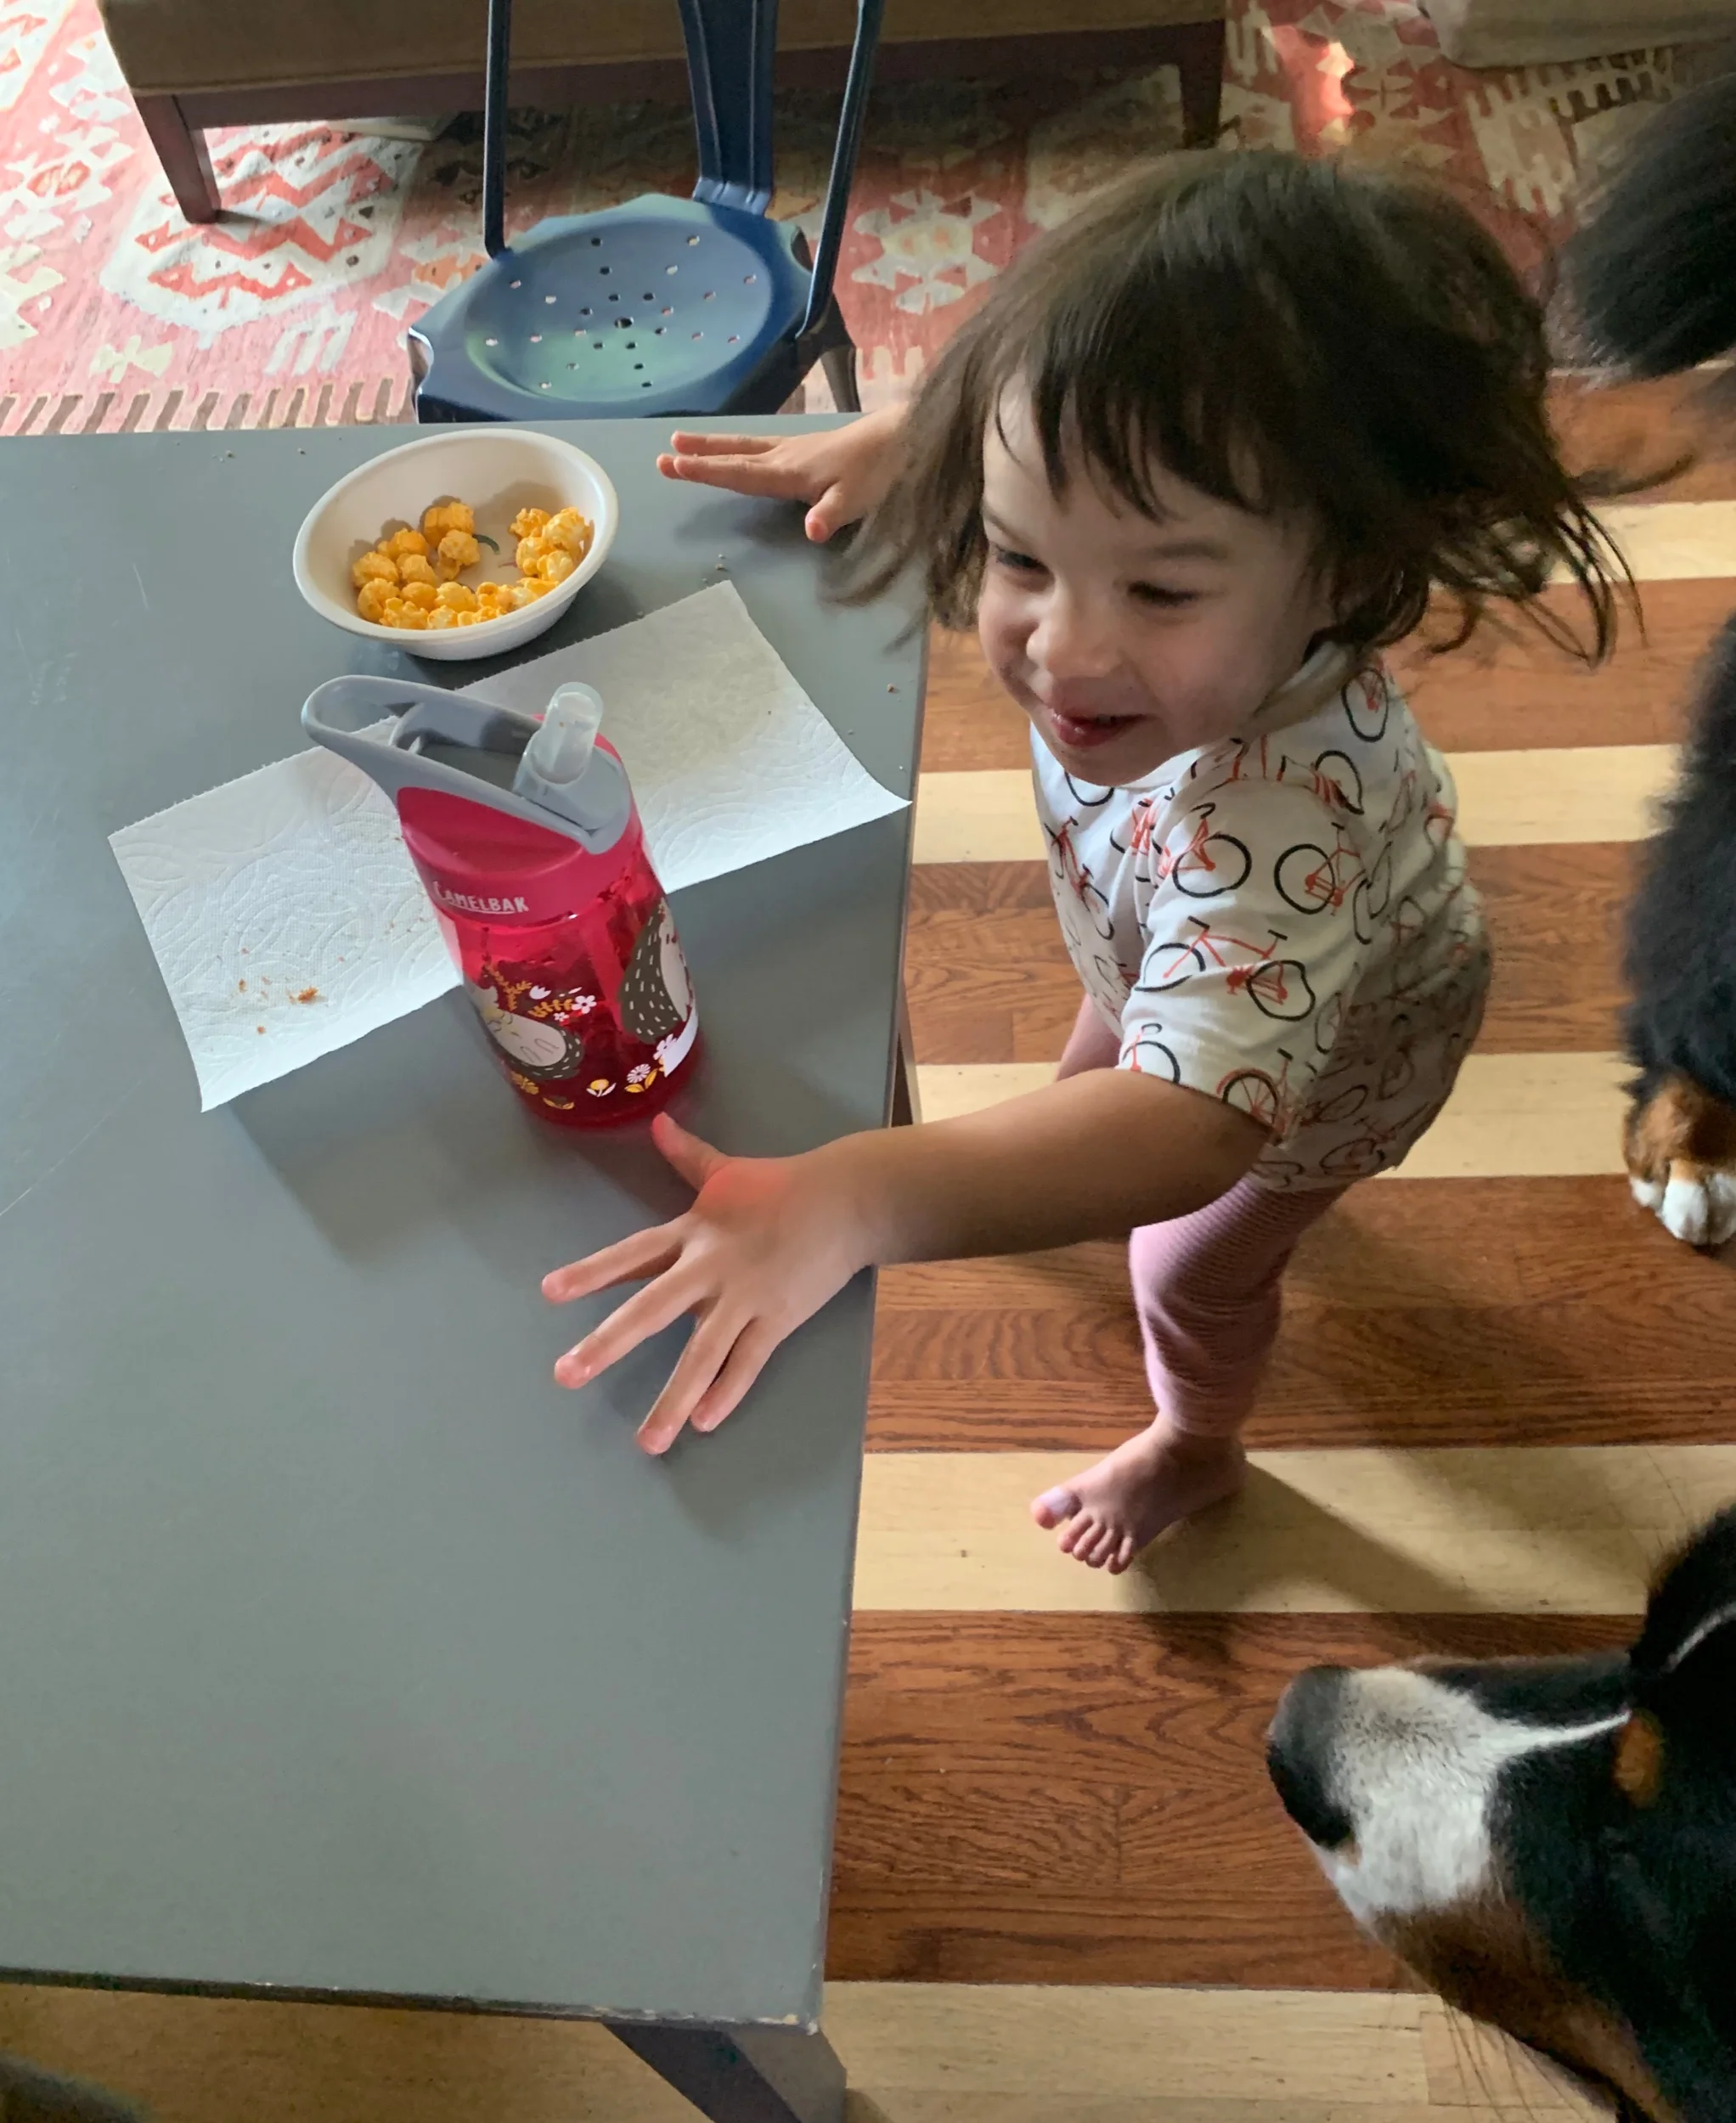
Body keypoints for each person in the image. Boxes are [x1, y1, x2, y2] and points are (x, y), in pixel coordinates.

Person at [543, 149, 1625, 1573]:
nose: (1060, 645)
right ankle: (1077, 1141)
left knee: (1181, 1259)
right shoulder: (1167, 605)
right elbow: (1074, 439)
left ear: (1350, 573)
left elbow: (1193, 1121)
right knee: (1102, 1067)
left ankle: (1199, 1444)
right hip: (1158, 930)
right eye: (1019, 552)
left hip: (1324, 1062)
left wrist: (864, 1193)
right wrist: (917, 445)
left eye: (1159, 587)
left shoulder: (1272, 820)